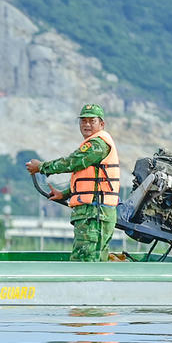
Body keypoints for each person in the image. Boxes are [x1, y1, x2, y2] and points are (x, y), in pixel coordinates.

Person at [24, 103, 120, 262]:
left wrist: (41, 167)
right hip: (94, 212)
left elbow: (72, 162)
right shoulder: (95, 143)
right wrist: (65, 193)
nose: (87, 124)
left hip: (94, 213)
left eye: (92, 121)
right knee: (93, 260)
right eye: (83, 121)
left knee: (84, 261)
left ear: (101, 124)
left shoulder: (97, 145)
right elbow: (91, 180)